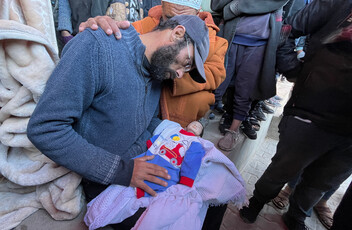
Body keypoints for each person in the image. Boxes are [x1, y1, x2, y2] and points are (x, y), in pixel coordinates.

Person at [27, 14, 209, 228]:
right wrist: (125, 171)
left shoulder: (157, 71)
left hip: (144, 158)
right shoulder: (98, 47)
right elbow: (45, 129)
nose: (180, 74)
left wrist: (177, 136)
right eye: (186, 64)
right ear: (177, 33)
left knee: (211, 192)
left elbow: (148, 121)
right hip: (106, 174)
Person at [238, 0, 352, 229]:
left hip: (349, 132)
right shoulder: (338, 3)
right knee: (283, 167)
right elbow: (286, 29)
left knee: (322, 181)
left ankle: (296, 215)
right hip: (311, 111)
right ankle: (257, 202)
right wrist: (293, 69)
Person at [79, 0, 228, 130]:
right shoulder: (141, 28)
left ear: (198, 13)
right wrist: (98, 30)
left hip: (183, 125)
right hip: (142, 125)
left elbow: (216, 73)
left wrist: (170, 71)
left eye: (190, 65)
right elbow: (118, 43)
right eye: (169, 18)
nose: (175, 27)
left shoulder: (215, 42)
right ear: (162, 6)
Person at [211, 0, 288, 151]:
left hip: (259, 43)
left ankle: (233, 131)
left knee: (245, 90)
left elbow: (271, 3)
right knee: (216, 82)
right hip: (230, 35)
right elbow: (217, 4)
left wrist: (236, 6)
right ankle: (200, 120)